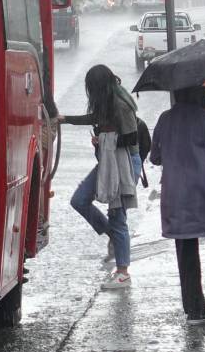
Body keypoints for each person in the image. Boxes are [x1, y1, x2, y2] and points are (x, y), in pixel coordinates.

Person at [149, 86, 205, 326]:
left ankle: (194, 310)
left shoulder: (165, 119)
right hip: (204, 194)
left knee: (187, 251)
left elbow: (154, 157)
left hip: (175, 195)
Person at [58, 65, 142, 290]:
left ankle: (123, 272)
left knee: (118, 215)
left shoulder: (120, 104)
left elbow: (132, 139)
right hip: (109, 163)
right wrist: (65, 119)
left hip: (125, 164)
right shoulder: (108, 102)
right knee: (80, 199)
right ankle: (111, 235)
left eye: (92, 88)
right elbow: (94, 118)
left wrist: (105, 139)